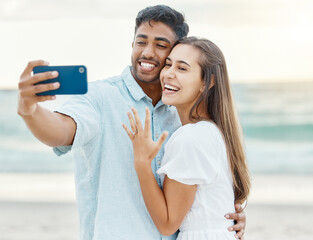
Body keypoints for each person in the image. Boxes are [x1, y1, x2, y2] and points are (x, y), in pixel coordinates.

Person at [17, 5, 246, 240]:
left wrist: (221, 221)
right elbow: (61, 130)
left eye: (160, 45)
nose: (147, 52)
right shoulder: (99, 97)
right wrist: (30, 111)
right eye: (141, 42)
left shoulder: (183, 115)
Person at [123, 36, 251, 239]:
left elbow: (167, 224)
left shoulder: (190, 137)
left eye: (182, 68)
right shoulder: (212, 131)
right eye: (168, 64)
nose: (168, 74)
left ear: (207, 82)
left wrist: (142, 163)